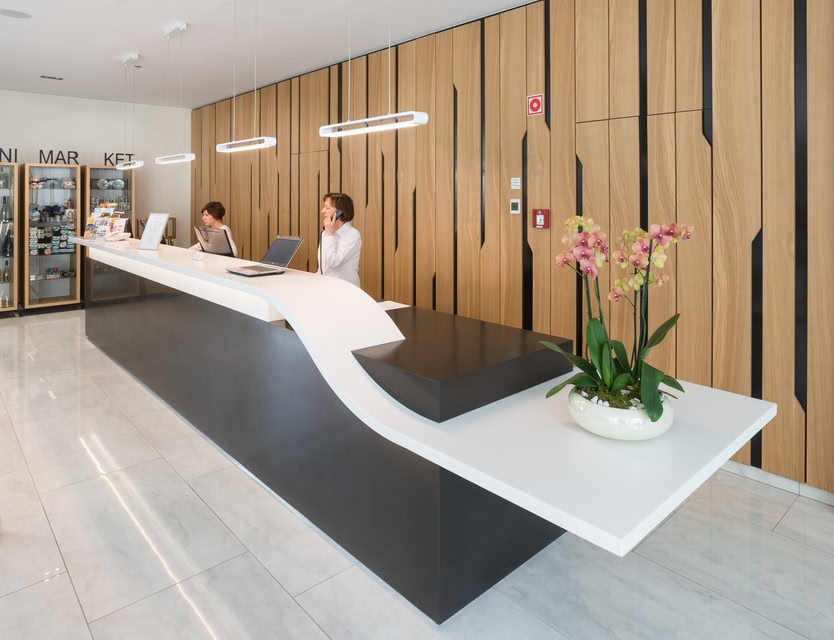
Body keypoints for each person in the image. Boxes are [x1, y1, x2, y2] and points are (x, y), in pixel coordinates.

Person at [320, 192, 361, 287]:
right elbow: (323, 268)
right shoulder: (325, 234)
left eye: (327, 208)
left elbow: (333, 262)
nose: (322, 211)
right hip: (326, 288)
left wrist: (329, 235)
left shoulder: (352, 235)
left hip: (345, 289)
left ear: (339, 213)